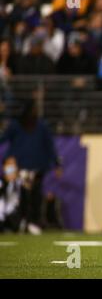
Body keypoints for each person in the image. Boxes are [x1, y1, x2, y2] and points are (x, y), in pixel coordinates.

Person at [0, 100, 61, 235]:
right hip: (17, 168)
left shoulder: (41, 126)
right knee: (14, 195)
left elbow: (50, 146)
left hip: (35, 168)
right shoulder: (16, 125)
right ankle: (14, 222)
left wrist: (56, 163)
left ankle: (31, 222)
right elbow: (3, 138)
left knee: (34, 197)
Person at [0, 156, 28, 233]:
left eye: (13, 164)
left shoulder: (20, 181)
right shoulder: (2, 181)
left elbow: (25, 200)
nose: (11, 167)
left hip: (15, 212)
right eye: (9, 164)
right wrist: (7, 181)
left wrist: (16, 181)